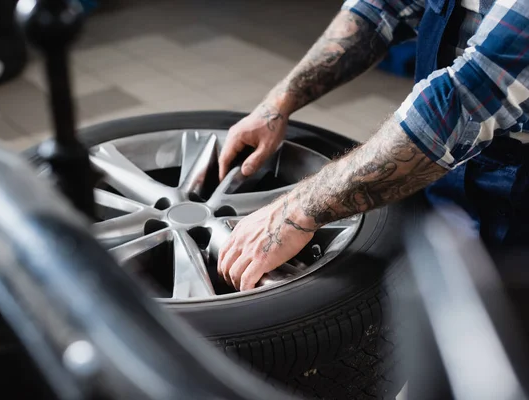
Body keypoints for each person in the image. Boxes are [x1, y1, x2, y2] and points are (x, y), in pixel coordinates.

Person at [217, 0, 529, 291]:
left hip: (516, 184)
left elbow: (463, 99)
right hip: (445, 159)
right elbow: (383, 7)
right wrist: (276, 105)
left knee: (497, 323)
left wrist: (294, 212)